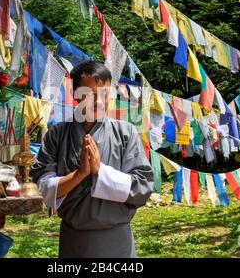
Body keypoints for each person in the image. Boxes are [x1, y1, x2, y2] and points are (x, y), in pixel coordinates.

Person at [31, 60, 154, 258]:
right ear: (75, 95)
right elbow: (43, 187)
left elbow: (143, 187)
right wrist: (79, 174)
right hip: (75, 241)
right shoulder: (57, 134)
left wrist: (101, 172)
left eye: (104, 94)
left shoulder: (125, 132)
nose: (98, 101)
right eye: (88, 95)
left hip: (117, 241)